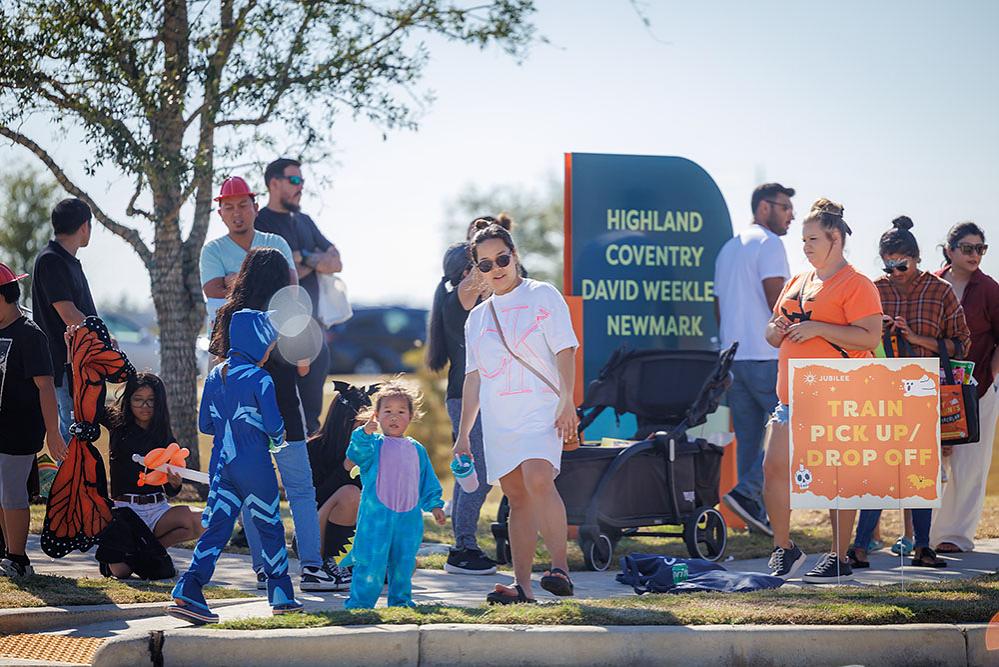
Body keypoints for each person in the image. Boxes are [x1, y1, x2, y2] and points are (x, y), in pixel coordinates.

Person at [455, 219, 579, 604]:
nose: (496, 269)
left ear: (515, 256)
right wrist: (462, 437)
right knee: (515, 495)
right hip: (499, 419)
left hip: (542, 408)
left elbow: (565, 349)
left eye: (502, 258)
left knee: (538, 477)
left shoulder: (543, 295)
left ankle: (560, 569)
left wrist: (566, 400)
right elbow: (473, 380)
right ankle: (522, 587)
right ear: (478, 270)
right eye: (486, 264)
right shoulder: (476, 318)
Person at [761, 199, 882, 583]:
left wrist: (819, 329)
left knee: (837, 479)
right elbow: (770, 332)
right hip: (790, 396)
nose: (806, 246)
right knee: (773, 469)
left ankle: (839, 555)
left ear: (836, 238)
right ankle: (784, 547)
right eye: (803, 239)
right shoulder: (798, 281)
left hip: (837, 396)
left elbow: (870, 336)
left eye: (813, 238)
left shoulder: (857, 283)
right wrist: (776, 331)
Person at [209, 248, 338, 591]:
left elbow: (219, 367)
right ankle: (312, 568)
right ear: (283, 278)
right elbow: (303, 365)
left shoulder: (229, 313)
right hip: (284, 413)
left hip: (243, 416)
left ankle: (266, 569)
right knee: (300, 492)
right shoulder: (289, 314)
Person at [848, 216, 971, 570]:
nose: (896, 271)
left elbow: (962, 343)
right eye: (889, 265)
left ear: (916, 259)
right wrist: (878, 332)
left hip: (924, 391)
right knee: (877, 469)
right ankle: (860, 545)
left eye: (902, 264)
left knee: (921, 471)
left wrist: (915, 338)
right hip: (880, 392)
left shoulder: (940, 291)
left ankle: (922, 546)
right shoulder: (873, 290)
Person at [168, 309, 303, 624]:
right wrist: (278, 441)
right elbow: (274, 427)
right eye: (269, 344)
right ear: (257, 342)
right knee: (270, 527)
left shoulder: (215, 374)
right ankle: (281, 594)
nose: (270, 351)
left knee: (217, 528)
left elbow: (205, 424)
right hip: (255, 466)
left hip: (223, 466)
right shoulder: (261, 378)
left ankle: (190, 587)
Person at [715, 183, 795, 536]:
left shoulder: (728, 249)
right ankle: (749, 495)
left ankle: (755, 515)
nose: (791, 215)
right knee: (796, 430)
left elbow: (718, 306)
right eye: (785, 208)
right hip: (766, 355)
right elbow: (779, 301)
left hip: (733, 359)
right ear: (765, 208)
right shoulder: (769, 243)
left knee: (750, 442)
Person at [426, 229, 499, 575]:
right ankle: (462, 549)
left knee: (488, 472)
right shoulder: (461, 298)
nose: (489, 269)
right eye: (480, 264)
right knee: (477, 474)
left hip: (485, 397)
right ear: (467, 272)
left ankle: (475, 542)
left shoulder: (468, 299)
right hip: (467, 398)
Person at [255, 158, 342, 434]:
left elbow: (336, 262)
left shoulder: (305, 221)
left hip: (314, 333)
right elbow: (282, 272)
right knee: (283, 417)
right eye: (294, 180)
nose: (300, 186)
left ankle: (310, 475)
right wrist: (313, 262)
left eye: (302, 181)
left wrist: (303, 256)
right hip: (280, 337)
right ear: (274, 183)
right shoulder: (261, 222)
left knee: (312, 419)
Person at [344, 380, 446, 609]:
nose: (394, 417)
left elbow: (427, 480)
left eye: (401, 412)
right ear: (377, 416)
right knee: (370, 561)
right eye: (387, 411)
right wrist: (363, 435)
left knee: (403, 562)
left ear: (411, 416)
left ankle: (401, 602)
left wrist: (435, 505)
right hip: (375, 518)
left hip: (408, 520)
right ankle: (360, 604)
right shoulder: (374, 445)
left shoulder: (416, 449)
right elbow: (356, 454)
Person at [931, 222, 999, 553]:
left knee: (969, 464)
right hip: (931, 388)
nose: (975, 255)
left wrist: (986, 376)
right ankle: (924, 536)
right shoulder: (930, 282)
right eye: (968, 248)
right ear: (950, 249)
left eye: (981, 249)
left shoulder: (989, 289)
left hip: (979, 387)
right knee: (931, 461)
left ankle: (956, 536)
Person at [98, 373, 203, 578]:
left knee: (204, 519)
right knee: (122, 572)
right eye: (138, 399)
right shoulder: (116, 423)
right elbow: (90, 399)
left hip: (157, 509)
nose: (145, 406)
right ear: (128, 400)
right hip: (124, 510)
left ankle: (150, 553)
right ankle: (143, 556)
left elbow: (172, 491)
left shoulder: (163, 433)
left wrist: (175, 482)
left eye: (151, 400)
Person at [0, 264, 67, 577]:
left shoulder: (30, 335)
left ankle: (19, 560)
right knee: (1, 492)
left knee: (12, 492)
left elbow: (45, 387)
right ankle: (5, 551)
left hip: (19, 430)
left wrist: (53, 433)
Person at [31, 198, 98, 441]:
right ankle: (68, 480)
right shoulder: (52, 260)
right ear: (84, 226)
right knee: (72, 434)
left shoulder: (67, 260)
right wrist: (103, 340)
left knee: (80, 433)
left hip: (77, 366)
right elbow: (69, 314)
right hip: (62, 364)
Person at [199, 176, 296, 325]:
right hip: (228, 338)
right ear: (220, 214)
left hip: (274, 334)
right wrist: (265, 284)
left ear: (256, 208)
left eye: (243, 205)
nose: (236, 213)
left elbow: (291, 290)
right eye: (229, 207)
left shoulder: (276, 243)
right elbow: (213, 293)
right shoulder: (212, 250)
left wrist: (234, 281)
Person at [305, 381, 371, 591]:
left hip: (356, 535)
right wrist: (345, 467)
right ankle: (327, 562)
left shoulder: (373, 449)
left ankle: (358, 561)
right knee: (350, 493)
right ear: (343, 421)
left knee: (406, 565)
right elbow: (313, 500)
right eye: (359, 424)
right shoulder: (315, 448)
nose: (364, 431)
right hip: (316, 535)